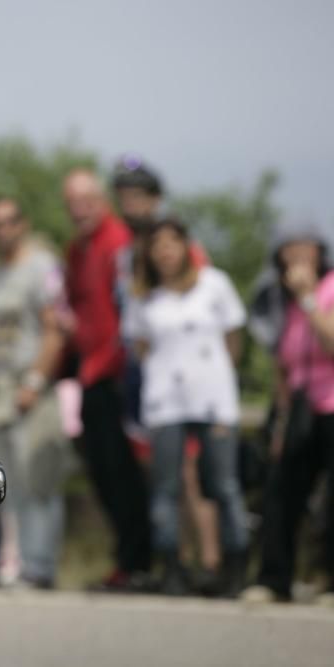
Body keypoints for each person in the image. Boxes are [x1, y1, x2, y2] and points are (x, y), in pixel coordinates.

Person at [121, 219, 250, 596]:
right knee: (166, 487)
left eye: (172, 243)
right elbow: (140, 349)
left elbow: (233, 340)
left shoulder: (215, 284)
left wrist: (212, 374)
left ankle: (235, 565)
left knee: (222, 484)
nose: (165, 251)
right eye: (157, 244)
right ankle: (173, 568)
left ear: (186, 246)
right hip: (166, 402)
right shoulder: (143, 296)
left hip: (213, 399)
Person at [111, 158, 222, 589]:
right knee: (158, 472)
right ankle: (172, 562)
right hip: (143, 373)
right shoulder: (124, 253)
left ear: (155, 200)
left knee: (193, 473)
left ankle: (209, 564)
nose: (130, 205)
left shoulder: (181, 247)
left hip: (187, 375)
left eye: (138, 197)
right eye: (124, 197)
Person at [63, 168, 152, 592]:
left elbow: (126, 316)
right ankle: (127, 560)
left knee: (124, 473)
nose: (78, 210)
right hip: (89, 374)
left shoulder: (118, 243)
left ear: (101, 201)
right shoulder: (76, 250)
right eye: (71, 203)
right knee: (103, 473)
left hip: (117, 375)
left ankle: (140, 562)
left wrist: (111, 364)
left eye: (86, 201)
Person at [0, 197, 71, 590]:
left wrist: (35, 381)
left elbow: (56, 329)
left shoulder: (42, 266)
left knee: (38, 479)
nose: (2, 229)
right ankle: (24, 561)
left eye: (9, 221)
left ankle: (41, 565)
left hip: (28, 386)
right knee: (11, 482)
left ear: (23, 223)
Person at [243, 219, 334, 605]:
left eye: (304, 245)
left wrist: (310, 297)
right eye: (288, 248)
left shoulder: (322, 290)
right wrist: (279, 422)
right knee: (281, 492)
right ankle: (274, 579)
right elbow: (285, 363)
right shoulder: (281, 299)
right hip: (299, 409)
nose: (296, 254)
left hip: (332, 404)